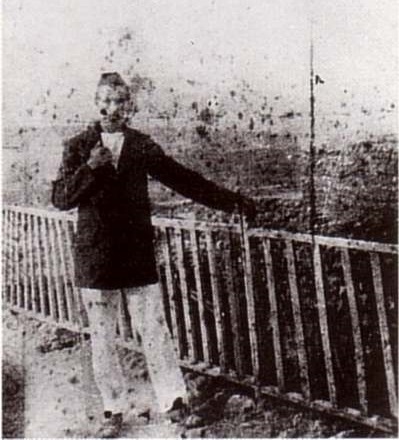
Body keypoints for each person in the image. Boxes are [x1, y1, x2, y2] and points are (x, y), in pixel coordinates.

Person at [52, 72, 256, 438]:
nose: (113, 109)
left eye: (120, 102)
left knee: (155, 330)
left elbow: (184, 179)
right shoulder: (78, 146)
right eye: (107, 100)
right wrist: (91, 168)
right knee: (102, 336)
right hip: (96, 259)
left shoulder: (142, 145)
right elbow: (60, 199)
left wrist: (233, 202)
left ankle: (174, 404)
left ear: (130, 107)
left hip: (135, 256)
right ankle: (113, 410)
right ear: (96, 102)